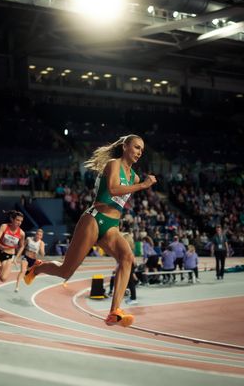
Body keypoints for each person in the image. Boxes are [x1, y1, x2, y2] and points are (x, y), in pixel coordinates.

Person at [23, 135, 157, 327]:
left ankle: (114, 311)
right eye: (136, 147)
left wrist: (139, 186)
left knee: (128, 258)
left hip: (111, 226)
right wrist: (143, 186)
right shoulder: (113, 164)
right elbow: (112, 189)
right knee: (65, 271)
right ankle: (37, 267)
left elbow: (120, 200)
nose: (139, 152)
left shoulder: (134, 176)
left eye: (142, 150)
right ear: (126, 146)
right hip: (94, 219)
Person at [14, 228, 45, 292]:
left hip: (33, 261)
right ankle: (17, 286)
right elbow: (22, 247)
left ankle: (26, 275)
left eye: (40, 235)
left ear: (41, 237)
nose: (38, 236)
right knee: (23, 270)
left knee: (27, 276)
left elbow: (42, 254)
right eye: (37, 234)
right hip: (26, 257)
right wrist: (16, 257)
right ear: (35, 234)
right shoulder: (29, 239)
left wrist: (42, 249)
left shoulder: (41, 243)